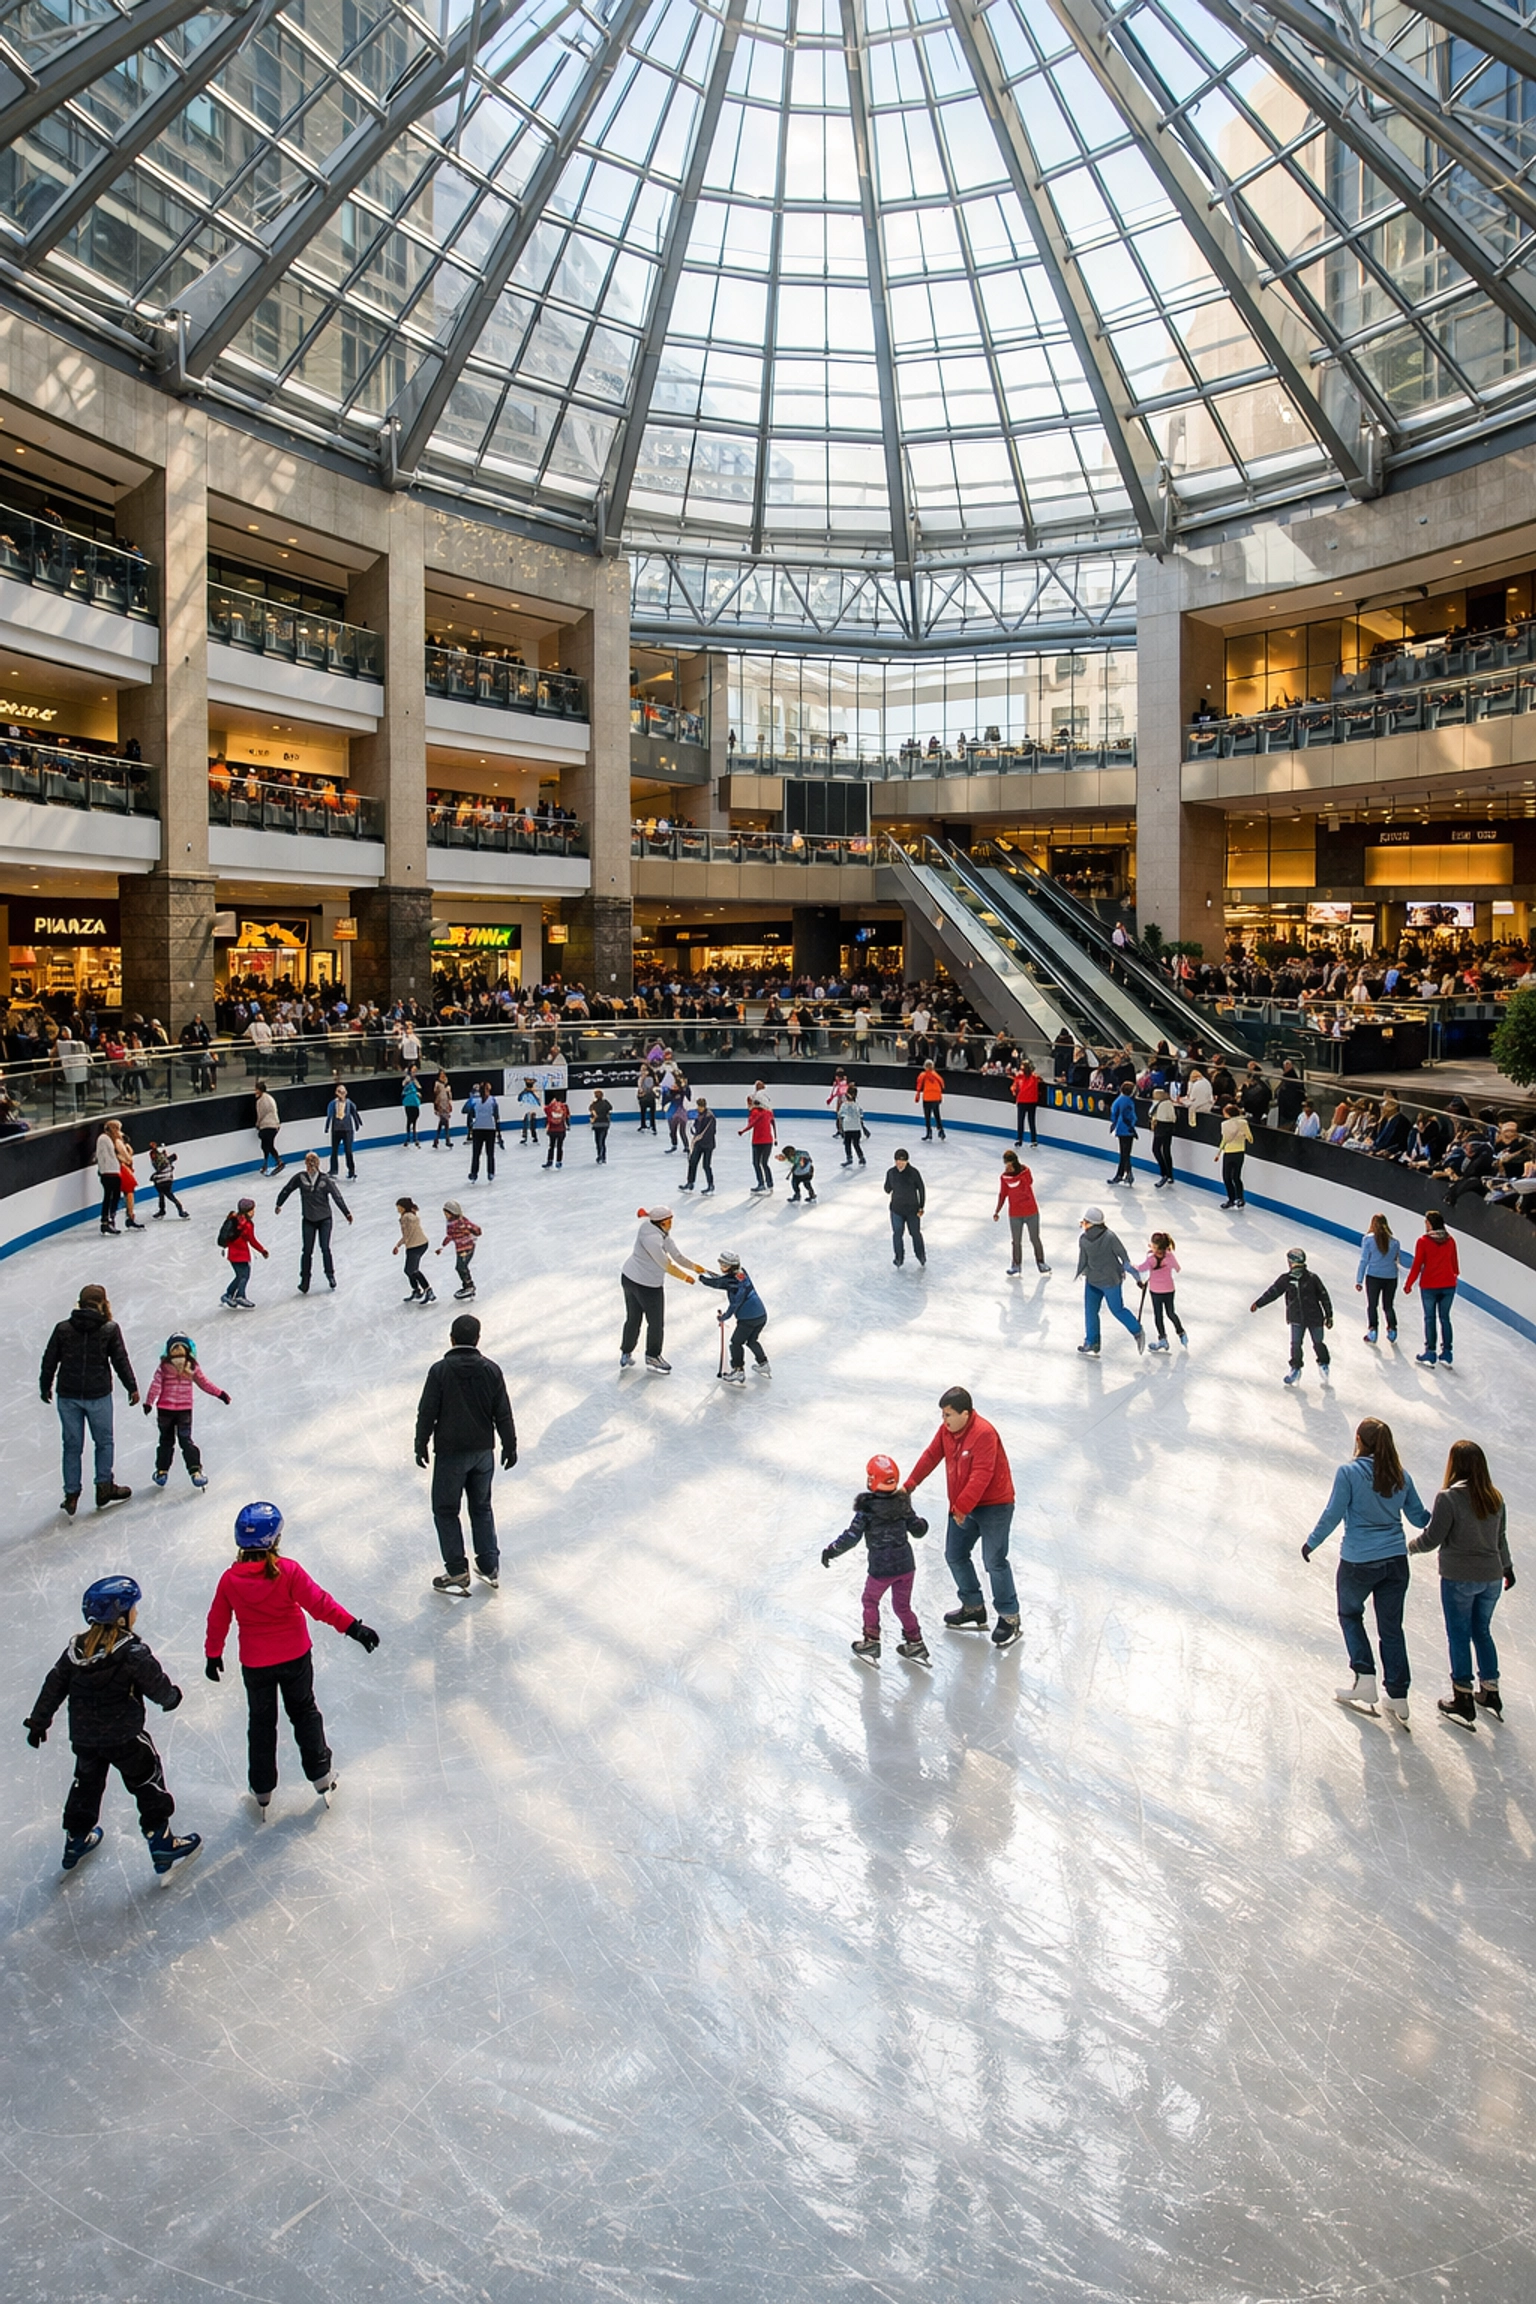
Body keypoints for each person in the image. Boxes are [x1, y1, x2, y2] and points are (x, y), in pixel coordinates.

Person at [204, 1501, 378, 1814]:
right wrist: (354, 1627)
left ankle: (262, 1789)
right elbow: (320, 1604)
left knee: (261, 1723)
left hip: (256, 1664)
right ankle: (321, 1775)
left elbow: (218, 1619)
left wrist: (213, 1654)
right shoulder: (288, 1571)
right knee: (304, 1712)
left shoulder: (230, 1580)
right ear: (275, 1540)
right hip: (295, 1657)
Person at [25, 1575, 199, 1880]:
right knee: (147, 1781)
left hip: (86, 1739)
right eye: (134, 1608)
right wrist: (170, 1698)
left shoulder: (75, 1651)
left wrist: (39, 1721)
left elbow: (53, 1685)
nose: (137, 1613)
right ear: (121, 1615)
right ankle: (161, 1840)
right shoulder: (132, 1651)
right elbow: (156, 1683)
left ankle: (76, 1839)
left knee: (86, 1785)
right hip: (126, 1737)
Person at [1301, 1418, 1429, 1727]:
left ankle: (1365, 1677)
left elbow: (1333, 1512)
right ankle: (1398, 1695)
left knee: (1349, 1614)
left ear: (1359, 1440)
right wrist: (1450, 1513)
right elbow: (1420, 1518)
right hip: (1396, 1562)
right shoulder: (1402, 1476)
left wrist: (1311, 1542)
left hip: (1359, 1562)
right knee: (1391, 1628)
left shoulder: (1349, 1473)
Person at [1409, 1439, 1516, 1729]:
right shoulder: (1495, 1497)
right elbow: (1500, 1539)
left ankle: (1463, 1697)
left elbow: (1432, 1538)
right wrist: (1507, 1567)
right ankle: (1491, 1692)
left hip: (1459, 1578)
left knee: (1458, 1634)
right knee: (1481, 1630)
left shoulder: (1448, 1497)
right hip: (1492, 1577)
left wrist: (1409, 1547)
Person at [905, 1387, 1019, 1647]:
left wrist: (962, 1508)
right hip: (962, 1506)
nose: (944, 1420)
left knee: (994, 1561)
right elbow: (932, 1455)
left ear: (965, 1414)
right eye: (942, 1415)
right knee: (954, 1554)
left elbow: (982, 1474)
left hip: (994, 1506)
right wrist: (910, 1484)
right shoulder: (947, 1431)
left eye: (948, 1414)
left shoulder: (984, 1433)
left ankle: (1009, 1615)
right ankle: (973, 1606)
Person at [414, 1313, 518, 1595]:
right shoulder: (491, 1370)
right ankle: (488, 1565)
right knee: (481, 1506)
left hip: (451, 1454)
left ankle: (457, 1570)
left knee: (446, 1509)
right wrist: (510, 1444)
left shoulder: (439, 1371)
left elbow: (428, 1411)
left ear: (451, 1338)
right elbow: (503, 1412)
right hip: (483, 1453)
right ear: (478, 1339)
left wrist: (420, 1441)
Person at [822, 1454, 930, 1665]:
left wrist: (831, 1550)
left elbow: (851, 1537)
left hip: (881, 1568)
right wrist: (923, 1523)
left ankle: (871, 1641)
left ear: (872, 1480)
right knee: (902, 1607)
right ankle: (915, 1643)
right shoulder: (902, 1504)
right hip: (906, 1567)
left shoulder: (867, 1509)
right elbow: (918, 1530)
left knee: (870, 1601)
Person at [40, 1282, 137, 1514]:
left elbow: (49, 1359)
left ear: (79, 1303)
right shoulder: (109, 1329)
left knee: (72, 1446)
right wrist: (131, 1387)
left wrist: (45, 1386)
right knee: (103, 1442)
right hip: (98, 1395)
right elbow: (120, 1361)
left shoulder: (63, 1328)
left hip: (68, 1396)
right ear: (103, 1303)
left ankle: (71, 1494)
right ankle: (104, 1488)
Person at [619, 1205, 702, 1373]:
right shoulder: (652, 1239)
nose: (671, 1224)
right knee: (655, 1322)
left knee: (633, 1318)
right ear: (660, 1222)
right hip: (646, 1285)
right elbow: (666, 1264)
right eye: (668, 1221)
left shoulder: (654, 1229)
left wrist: (694, 1267)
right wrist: (684, 1277)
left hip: (629, 1277)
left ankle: (626, 1352)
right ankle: (652, 1356)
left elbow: (676, 1254)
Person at [144, 1332, 228, 1490]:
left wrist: (149, 1403)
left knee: (166, 1442)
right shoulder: (192, 1366)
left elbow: (155, 1386)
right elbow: (204, 1383)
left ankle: (162, 1472)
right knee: (185, 1441)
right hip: (183, 1411)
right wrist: (220, 1394)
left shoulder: (164, 1366)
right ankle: (195, 1471)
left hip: (165, 1411)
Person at [1251, 1248, 1333, 1385]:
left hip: (1314, 1318)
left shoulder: (1312, 1278)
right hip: (1297, 1318)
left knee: (1317, 1343)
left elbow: (1324, 1296)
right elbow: (1272, 1293)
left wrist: (1329, 1315)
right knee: (1296, 1344)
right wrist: (1259, 1303)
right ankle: (1295, 1368)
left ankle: (1323, 1364)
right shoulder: (1286, 1280)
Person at [275, 1152, 352, 1293]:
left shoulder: (324, 1180)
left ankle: (327, 1276)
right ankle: (307, 1281)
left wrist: (346, 1212)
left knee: (322, 1248)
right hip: (309, 1219)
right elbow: (288, 1189)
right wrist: (279, 1203)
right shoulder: (301, 1178)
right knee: (310, 1250)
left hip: (324, 1220)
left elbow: (337, 1197)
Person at [1075, 1206, 1144, 1356]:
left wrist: (1138, 1277)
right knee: (1090, 1311)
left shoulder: (1109, 1237)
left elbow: (1125, 1260)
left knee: (1117, 1309)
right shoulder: (1085, 1239)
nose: (1083, 1224)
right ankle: (1092, 1342)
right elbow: (1084, 1259)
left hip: (1110, 1281)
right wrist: (1083, 1271)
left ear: (1093, 1224)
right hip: (1093, 1281)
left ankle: (1136, 1330)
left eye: (1085, 1222)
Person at [698, 1250, 769, 1381]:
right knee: (752, 1341)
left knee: (735, 1343)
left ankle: (738, 1370)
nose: (721, 1267)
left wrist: (723, 1317)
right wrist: (707, 1272)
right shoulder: (742, 1272)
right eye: (721, 1264)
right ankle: (763, 1364)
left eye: (724, 1265)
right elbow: (723, 1280)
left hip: (748, 1319)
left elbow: (720, 1286)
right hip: (761, 1315)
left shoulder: (731, 1281)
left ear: (731, 1266)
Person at [1404, 1209, 1459, 1366]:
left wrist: (1409, 1284)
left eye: (1426, 1222)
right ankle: (1447, 1352)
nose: (1425, 1225)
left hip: (1429, 1286)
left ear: (1431, 1224)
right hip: (1448, 1285)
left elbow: (1417, 1265)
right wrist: (1453, 1275)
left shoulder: (1423, 1241)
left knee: (1430, 1318)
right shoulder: (1450, 1240)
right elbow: (1454, 1264)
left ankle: (1431, 1352)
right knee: (1445, 1318)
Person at [994, 1149, 1048, 1276]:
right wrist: (997, 1211)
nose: (1007, 1167)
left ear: (1014, 1163)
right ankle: (1016, 1265)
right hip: (1015, 1214)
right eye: (1005, 1164)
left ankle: (1041, 1262)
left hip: (1031, 1212)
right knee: (1016, 1241)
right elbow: (1003, 1194)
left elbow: (1029, 1182)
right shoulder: (1004, 1178)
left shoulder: (1026, 1172)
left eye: (1009, 1164)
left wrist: (1019, 1175)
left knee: (1034, 1238)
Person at [1355, 1213, 1401, 1345]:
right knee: (1388, 1305)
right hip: (1391, 1277)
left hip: (1374, 1276)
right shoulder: (1395, 1242)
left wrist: (1359, 1280)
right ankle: (1392, 1329)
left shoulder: (1368, 1240)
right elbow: (1396, 1260)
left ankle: (1373, 1330)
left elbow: (1364, 1260)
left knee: (1372, 1305)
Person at [1134, 1232, 1186, 1350]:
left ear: (1154, 1246)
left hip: (1156, 1291)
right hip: (1169, 1289)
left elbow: (1140, 1268)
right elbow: (1177, 1268)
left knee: (1158, 1315)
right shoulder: (1169, 1256)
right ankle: (1181, 1332)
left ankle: (1162, 1339)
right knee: (1170, 1313)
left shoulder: (1151, 1259)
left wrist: (1130, 1265)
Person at [218, 1196, 267, 1308]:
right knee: (244, 1275)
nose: (254, 1212)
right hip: (240, 1254)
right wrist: (262, 1250)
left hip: (231, 1253)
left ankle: (228, 1295)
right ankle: (240, 1296)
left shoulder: (233, 1219)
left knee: (239, 1275)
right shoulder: (247, 1225)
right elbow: (252, 1240)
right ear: (247, 1212)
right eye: (252, 1210)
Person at [884, 1148, 926, 1267]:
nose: (899, 1163)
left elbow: (921, 1189)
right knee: (897, 1233)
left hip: (912, 1210)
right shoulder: (891, 1173)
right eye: (897, 1160)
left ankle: (920, 1255)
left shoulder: (913, 1173)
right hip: (896, 1210)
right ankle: (899, 1258)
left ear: (907, 1161)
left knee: (915, 1233)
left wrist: (921, 1206)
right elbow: (887, 1189)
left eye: (902, 1161)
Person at [437, 1199, 481, 1300]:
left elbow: (475, 1228)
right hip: (460, 1248)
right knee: (460, 1267)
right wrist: (442, 1246)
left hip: (467, 1247)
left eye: (446, 1213)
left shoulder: (461, 1222)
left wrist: (476, 1232)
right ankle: (467, 1286)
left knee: (461, 1267)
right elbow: (450, 1235)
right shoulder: (450, 1222)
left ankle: (469, 1287)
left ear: (452, 1212)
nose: (445, 1215)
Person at [394, 1197, 435, 1303]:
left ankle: (428, 1290)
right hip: (419, 1244)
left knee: (412, 1270)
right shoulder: (407, 1216)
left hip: (416, 1245)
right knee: (409, 1270)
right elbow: (407, 1235)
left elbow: (408, 1233)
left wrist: (399, 1245)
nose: (397, 1209)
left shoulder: (407, 1217)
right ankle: (417, 1290)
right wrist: (398, 1245)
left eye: (399, 1207)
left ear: (403, 1207)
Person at [1215, 1102, 1253, 1208]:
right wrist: (1243, 1136)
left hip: (1229, 1153)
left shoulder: (1224, 1125)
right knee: (1236, 1176)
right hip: (1239, 1152)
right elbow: (1250, 1138)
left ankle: (1231, 1199)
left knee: (1227, 1177)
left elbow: (1225, 1139)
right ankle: (1240, 1198)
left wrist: (1219, 1152)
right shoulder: (1243, 1123)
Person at [324, 1083, 361, 1180]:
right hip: (336, 1130)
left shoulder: (349, 1103)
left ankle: (351, 1170)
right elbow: (330, 1115)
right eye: (340, 1092)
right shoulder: (332, 1104)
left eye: (343, 1092)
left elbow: (354, 1113)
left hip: (347, 1130)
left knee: (348, 1151)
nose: (342, 1094)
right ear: (336, 1093)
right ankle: (333, 1169)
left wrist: (357, 1124)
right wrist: (327, 1127)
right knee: (334, 1151)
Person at [741, 1096, 777, 1192]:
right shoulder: (768, 1113)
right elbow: (773, 1122)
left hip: (758, 1142)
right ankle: (770, 1183)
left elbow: (751, 1124)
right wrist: (776, 1137)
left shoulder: (754, 1113)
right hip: (768, 1141)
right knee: (764, 1163)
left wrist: (742, 1131)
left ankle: (761, 1183)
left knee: (756, 1163)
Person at [681, 1096, 716, 1193]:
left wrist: (697, 1138)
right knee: (692, 1162)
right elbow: (697, 1127)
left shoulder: (710, 1117)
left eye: (700, 1106)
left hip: (708, 1145)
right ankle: (690, 1183)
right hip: (699, 1144)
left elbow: (709, 1131)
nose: (698, 1108)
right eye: (698, 1106)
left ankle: (711, 1185)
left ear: (704, 1106)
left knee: (706, 1165)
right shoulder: (698, 1115)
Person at [148, 1140, 188, 1219]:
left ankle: (164, 1210)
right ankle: (178, 1210)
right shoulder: (162, 1158)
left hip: (162, 1180)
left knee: (164, 1193)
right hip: (167, 1179)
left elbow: (160, 1165)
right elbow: (168, 1162)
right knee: (167, 1194)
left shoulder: (158, 1158)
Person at [94, 1121, 123, 1234]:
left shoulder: (107, 1139)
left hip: (112, 1172)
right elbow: (109, 1155)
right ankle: (107, 1220)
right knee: (110, 1196)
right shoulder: (104, 1139)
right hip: (109, 1172)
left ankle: (109, 1218)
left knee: (113, 1195)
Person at [1108, 1081, 1138, 1184]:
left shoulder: (1118, 1100)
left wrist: (1114, 1124)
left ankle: (1127, 1174)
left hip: (1120, 1129)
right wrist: (1132, 1125)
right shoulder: (1128, 1102)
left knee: (1124, 1152)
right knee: (1125, 1153)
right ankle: (1122, 1174)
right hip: (1127, 1130)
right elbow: (1131, 1117)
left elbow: (1113, 1113)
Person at [1149, 1081, 1178, 1188]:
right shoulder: (1169, 1103)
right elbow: (1173, 1118)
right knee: (1166, 1150)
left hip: (1161, 1127)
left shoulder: (1158, 1104)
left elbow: (1151, 1114)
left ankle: (1164, 1173)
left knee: (1156, 1149)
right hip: (1169, 1128)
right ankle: (1170, 1174)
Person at [255, 1080, 283, 1174]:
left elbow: (261, 1114)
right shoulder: (270, 1098)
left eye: (256, 1090)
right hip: (275, 1124)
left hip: (267, 1125)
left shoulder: (260, 1101)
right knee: (268, 1145)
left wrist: (257, 1124)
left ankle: (275, 1162)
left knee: (266, 1146)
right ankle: (269, 1164)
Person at [1012, 1060, 1042, 1147]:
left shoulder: (1020, 1077)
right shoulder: (1035, 1078)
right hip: (1032, 1102)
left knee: (1021, 1121)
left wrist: (1015, 1093)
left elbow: (1014, 1088)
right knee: (1031, 1121)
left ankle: (1019, 1139)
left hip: (1023, 1101)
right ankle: (1033, 1140)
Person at [914, 1061, 946, 1141]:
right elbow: (942, 1084)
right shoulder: (936, 1075)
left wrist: (917, 1094)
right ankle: (941, 1130)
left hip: (928, 1098)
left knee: (927, 1116)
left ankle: (929, 1133)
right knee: (937, 1114)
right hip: (936, 1098)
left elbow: (919, 1084)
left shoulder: (923, 1075)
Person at [837, 1089, 867, 1167]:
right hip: (856, 1127)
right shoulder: (857, 1105)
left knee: (847, 1143)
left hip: (848, 1127)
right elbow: (861, 1115)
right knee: (856, 1144)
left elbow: (839, 1115)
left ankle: (849, 1158)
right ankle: (861, 1157)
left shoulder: (844, 1105)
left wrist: (841, 1127)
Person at [543, 1089, 570, 1169]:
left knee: (551, 1146)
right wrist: (568, 1125)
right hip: (561, 1129)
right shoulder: (564, 1107)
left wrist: (551, 1104)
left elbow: (545, 1110)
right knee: (559, 1146)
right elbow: (567, 1116)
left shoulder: (550, 1107)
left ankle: (549, 1161)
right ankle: (559, 1162)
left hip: (552, 1129)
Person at [515, 1077, 542, 1147]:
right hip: (526, 1109)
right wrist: (524, 1092)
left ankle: (534, 1136)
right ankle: (525, 1136)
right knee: (525, 1122)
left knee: (532, 1122)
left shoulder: (535, 1091)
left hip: (533, 1109)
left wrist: (532, 1093)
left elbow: (538, 1101)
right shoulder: (524, 1092)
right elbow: (519, 1099)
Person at [431, 1072, 454, 1149]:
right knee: (446, 1123)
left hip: (446, 1106)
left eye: (444, 1075)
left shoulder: (447, 1086)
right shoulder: (437, 1084)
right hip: (440, 1106)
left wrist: (448, 1092)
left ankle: (436, 1141)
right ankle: (447, 1141)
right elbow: (435, 1093)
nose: (443, 1077)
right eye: (441, 1075)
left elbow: (450, 1097)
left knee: (441, 1124)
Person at [589, 1088, 612, 1164]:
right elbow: (610, 1110)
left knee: (598, 1141)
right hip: (605, 1124)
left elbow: (591, 1111)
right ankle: (603, 1157)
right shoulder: (606, 1103)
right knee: (602, 1141)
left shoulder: (593, 1105)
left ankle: (600, 1155)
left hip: (597, 1125)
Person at [401, 1071, 423, 1147]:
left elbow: (419, 1087)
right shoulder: (407, 1081)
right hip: (408, 1103)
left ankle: (414, 1137)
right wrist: (408, 1080)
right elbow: (403, 1085)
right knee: (409, 1120)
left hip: (414, 1102)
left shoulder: (415, 1081)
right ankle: (409, 1138)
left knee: (414, 1120)